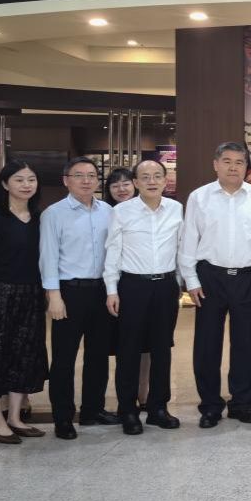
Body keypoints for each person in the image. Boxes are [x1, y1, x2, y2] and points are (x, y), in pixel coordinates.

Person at [179, 142, 251, 429]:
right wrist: (191, 280)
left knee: (246, 343)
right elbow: (189, 240)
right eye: (227, 161)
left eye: (239, 162)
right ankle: (210, 405)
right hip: (210, 277)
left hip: (247, 277)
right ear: (215, 164)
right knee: (207, 344)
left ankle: (241, 402)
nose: (233, 167)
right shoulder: (199, 197)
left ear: (246, 167)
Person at [0, 160, 48, 444]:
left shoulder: (40, 218)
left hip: (32, 294)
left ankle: (15, 417)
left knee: (24, 354)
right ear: (5, 184)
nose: (26, 185)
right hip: (0, 294)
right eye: (19, 179)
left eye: (31, 179)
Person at [103, 159, 182, 435]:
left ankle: (158, 408)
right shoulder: (122, 211)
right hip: (132, 287)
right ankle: (127, 409)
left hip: (166, 286)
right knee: (129, 350)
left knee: (162, 349)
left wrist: (180, 283)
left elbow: (181, 248)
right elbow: (113, 251)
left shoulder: (176, 209)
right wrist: (111, 290)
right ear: (136, 182)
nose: (151, 181)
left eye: (157, 176)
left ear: (165, 181)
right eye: (145, 177)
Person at [40, 156, 116, 440]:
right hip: (68, 292)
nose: (86, 181)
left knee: (98, 355)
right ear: (66, 180)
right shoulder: (54, 214)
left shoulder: (108, 211)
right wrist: (53, 296)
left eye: (91, 175)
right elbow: (48, 257)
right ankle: (62, 417)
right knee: (64, 358)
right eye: (79, 175)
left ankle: (92, 410)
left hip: (101, 291)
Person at [103, 167, 151, 409]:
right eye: (115, 185)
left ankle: (144, 394)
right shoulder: (104, 212)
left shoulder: (150, 210)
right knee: (122, 346)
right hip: (111, 287)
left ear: (135, 184)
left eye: (125, 184)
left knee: (146, 346)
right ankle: (124, 397)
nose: (121, 189)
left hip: (140, 286)